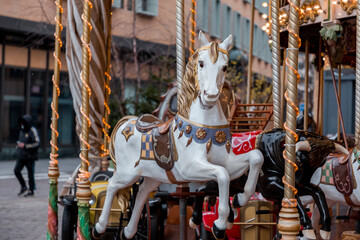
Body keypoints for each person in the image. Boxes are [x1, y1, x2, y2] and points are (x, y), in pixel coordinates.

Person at [14, 114, 40, 197]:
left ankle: (31, 190)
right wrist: (18, 146)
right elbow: (20, 140)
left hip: (30, 157)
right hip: (21, 156)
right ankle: (24, 186)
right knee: (16, 170)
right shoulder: (21, 130)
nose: (21, 125)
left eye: (23, 123)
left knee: (30, 174)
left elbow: (37, 143)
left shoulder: (32, 130)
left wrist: (25, 146)